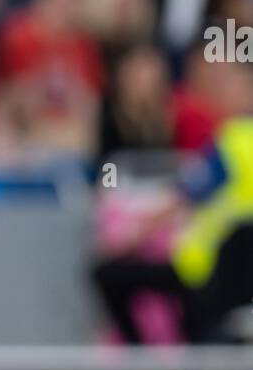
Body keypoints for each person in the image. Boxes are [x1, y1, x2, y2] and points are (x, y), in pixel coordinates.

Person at [92, 63, 253, 343]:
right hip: (233, 275)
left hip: (205, 268)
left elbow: (186, 197)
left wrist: (133, 236)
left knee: (110, 274)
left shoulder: (234, 140)